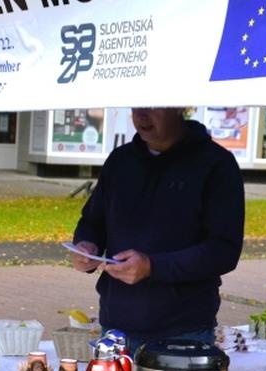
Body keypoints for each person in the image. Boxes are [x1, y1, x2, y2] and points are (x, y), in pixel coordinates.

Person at [69, 107, 245, 354]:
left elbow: (224, 250)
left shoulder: (216, 164)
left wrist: (152, 266)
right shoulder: (120, 161)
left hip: (182, 333)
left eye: (152, 106)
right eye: (136, 106)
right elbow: (92, 221)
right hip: (115, 327)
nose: (141, 115)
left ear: (179, 107)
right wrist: (86, 245)